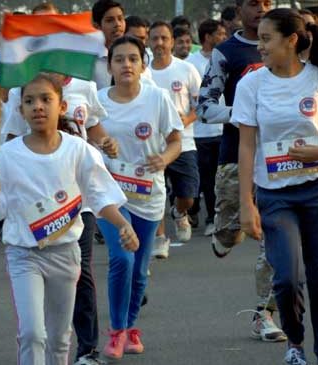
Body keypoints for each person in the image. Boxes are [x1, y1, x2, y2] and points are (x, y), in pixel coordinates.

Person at [0, 73, 138, 365]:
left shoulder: (79, 150)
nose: (38, 107)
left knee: (59, 336)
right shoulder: (6, 157)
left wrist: (122, 224)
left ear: (62, 106)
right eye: (29, 101)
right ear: (20, 110)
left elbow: (100, 195)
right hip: (24, 255)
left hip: (66, 253)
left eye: (45, 99)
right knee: (31, 334)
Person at [235, 9, 318, 365]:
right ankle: (295, 342)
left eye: (265, 39)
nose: (259, 46)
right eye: (257, 39)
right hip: (275, 193)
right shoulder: (251, 84)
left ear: (291, 40)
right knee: (288, 277)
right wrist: (247, 203)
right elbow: (247, 146)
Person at [196, 0, 286, 343]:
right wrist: (245, 113)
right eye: (253, 3)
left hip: (280, 159)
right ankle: (224, 235)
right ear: (240, 9)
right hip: (235, 155)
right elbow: (204, 107)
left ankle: (265, 314)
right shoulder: (226, 52)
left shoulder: (289, 46)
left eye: (267, 2)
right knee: (232, 232)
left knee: (271, 239)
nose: (261, 8)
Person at [96, 36, 182, 360]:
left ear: (142, 65)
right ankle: (116, 331)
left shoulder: (157, 98)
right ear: (110, 66)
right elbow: (88, 144)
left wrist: (165, 158)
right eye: (119, 59)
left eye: (133, 59)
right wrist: (103, 146)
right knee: (122, 258)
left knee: (140, 269)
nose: (127, 65)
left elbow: (175, 140)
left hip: (147, 195)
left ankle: (131, 326)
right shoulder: (98, 101)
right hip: (109, 196)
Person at [148, 21, 201, 255]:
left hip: (183, 142)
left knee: (188, 195)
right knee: (154, 193)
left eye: (164, 38)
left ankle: (180, 212)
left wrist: (186, 120)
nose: (159, 43)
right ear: (149, 42)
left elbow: (200, 104)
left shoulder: (186, 69)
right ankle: (159, 239)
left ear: (171, 41)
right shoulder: (144, 72)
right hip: (152, 144)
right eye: (155, 39)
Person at [185, 19, 227, 236]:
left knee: (221, 178)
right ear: (208, 37)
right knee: (205, 179)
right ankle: (198, 212)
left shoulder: (225, 58)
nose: (223, 37)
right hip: (200, 133)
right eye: (219, 33)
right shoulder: (192, 63)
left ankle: (215, 217)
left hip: (223, 130)